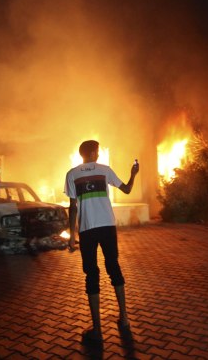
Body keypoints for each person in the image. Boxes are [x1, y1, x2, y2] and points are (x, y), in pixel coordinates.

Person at [64, 140, 139, 343]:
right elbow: (127, 190)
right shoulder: (105, 170)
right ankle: (124, 318)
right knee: (113, 267)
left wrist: (72, 236)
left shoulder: (72, 174)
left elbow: (72, 207)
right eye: (97, 150)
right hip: (107, 226)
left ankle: (97, 328)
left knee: (91, 274)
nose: (98, 153)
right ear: (94, 152)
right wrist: (133, 173)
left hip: (87, 229)